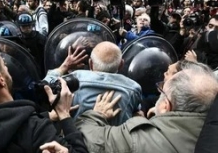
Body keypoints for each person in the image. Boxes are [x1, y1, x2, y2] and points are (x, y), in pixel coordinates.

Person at [0, 42, 88, 153]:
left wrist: (47, 116)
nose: (6, 66)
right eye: (3, 63)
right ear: (0, 80)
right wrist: (64, 114)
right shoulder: (36, 130)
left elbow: (4, 125)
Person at [75, 62, 218, 153]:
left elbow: (89, 138)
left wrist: (96, 114)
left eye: (162, 89)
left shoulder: (139, 139)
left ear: (165, 106)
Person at [44, 41, 142, 125]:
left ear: (90, 63)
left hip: (77, 141)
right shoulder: (134, 88)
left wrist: (64, 66)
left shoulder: (75, 78)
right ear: (121, 64)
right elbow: (136, 112)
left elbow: (45, 85)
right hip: (117, 144)